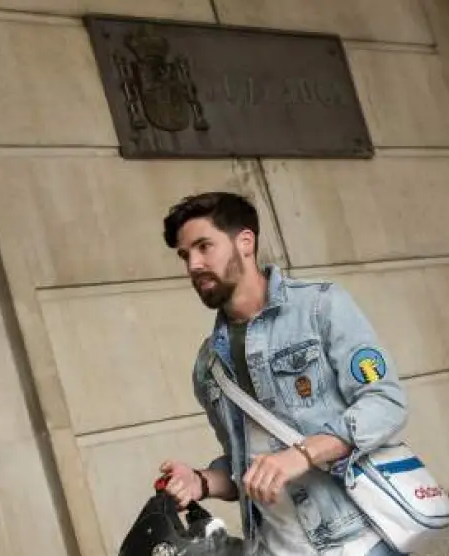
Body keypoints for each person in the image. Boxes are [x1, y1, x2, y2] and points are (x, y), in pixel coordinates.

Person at [157, 192, 407, 556]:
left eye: (204, 247)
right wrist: (201, 481)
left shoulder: (319, 307)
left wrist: (302, 454)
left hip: (356, 542)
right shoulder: (208, 365)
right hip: (274, 547)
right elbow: (245, 464)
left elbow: (385, 403)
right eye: (185, 255)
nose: (193, 265)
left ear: (245, 242)